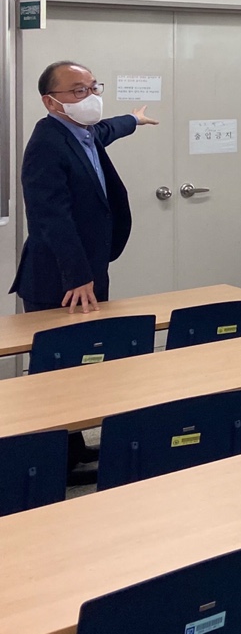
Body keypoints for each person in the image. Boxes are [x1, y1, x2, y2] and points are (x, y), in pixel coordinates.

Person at [13, 60, 159, 483]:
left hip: (88, 270)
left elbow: (107, 129)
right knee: (58, 370)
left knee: (81, 364)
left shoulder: (83, 131)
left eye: (93, 87)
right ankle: (55, 460)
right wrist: (77, 276)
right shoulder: (47, 144)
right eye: (78, 91)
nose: (90, 97)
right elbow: (50, 217)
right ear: (51, 102)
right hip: (60, 277)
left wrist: (134, 119)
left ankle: (73, 447)